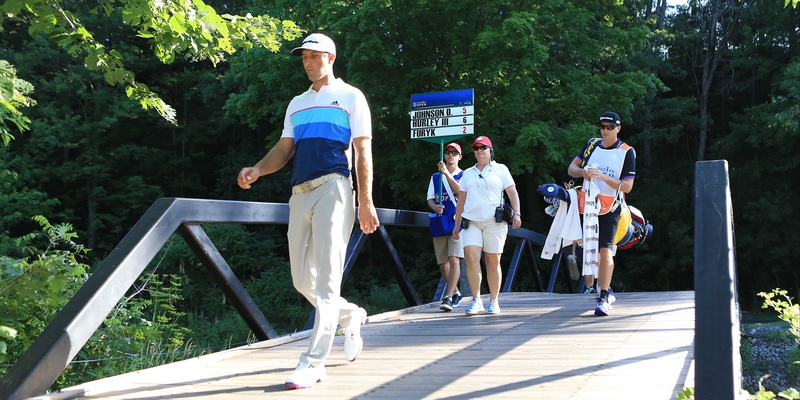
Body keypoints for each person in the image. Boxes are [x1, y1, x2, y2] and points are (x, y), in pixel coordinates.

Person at [237, 33, 380, 389]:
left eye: (313, 56)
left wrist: (365, 201)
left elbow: (363, 152)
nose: (307, 62)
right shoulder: (296, 103)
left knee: (328, 281)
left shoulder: (351, 97)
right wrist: (256, 169)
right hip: (298, 193)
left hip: (334, 187)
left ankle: (313, 362)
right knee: (302, 280)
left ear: (330, 57)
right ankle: (351, 315)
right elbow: (284, 149)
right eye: (303, 57)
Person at [567, 111, 636, 316]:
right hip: (587, 205)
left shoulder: (626, 152)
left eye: (609, 127)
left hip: (610, 207)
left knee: (605, 250)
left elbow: (627, 186)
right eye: (602, 127)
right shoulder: (592, 144)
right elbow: (572, 168)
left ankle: (604, 295)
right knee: (590, 250)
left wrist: (603, 177)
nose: (605, 131)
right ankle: (604, 287)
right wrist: (583, 173)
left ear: (618, 128)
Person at [453, 136, 522, 315]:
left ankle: (494, 300)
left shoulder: (500, 169)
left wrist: (517, 213)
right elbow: (462, 199)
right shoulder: (468, 172)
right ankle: (476, 300)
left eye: (483, 147)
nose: (479, 151)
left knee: (493, 260)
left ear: (490, 150)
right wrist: (456, 223)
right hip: (472, 222)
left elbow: (512, 193)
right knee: (471, 258)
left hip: (494, 221)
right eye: (476, 148)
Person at [426, 142, 464, 312]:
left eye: (454, 153)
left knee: (455, 259)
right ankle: (456, 292)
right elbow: (430, 198)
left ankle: (447, 297)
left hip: (457, 222)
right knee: (444, 265)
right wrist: (435, 207)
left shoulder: (465, 175)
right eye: (448, 152)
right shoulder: (435, 177)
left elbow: (461, 192)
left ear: (459, 156)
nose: (450, 155)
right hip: (441, 222)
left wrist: (447, 174)